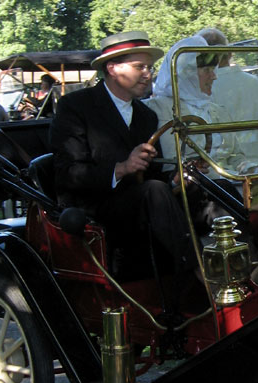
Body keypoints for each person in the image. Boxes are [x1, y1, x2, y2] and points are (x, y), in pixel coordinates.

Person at [49, 31, 196, 276]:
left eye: (150, 67)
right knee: (155, 191)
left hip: (140, 204)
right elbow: (68, 174)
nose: (148, 75)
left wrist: (176, 179)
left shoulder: (146, 115)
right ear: (113, 68)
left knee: (204, 190)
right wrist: (123, 168)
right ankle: (200, 274)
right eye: (140, 67)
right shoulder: (75, 107)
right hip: (92, 209)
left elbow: (152, 173)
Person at [144, 35, 258, 175]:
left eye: (214, 69)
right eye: (207, 70)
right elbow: (171, 162)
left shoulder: (216, 111)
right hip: (196, 187)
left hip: (230, 183)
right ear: (188, 74)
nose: (214, 76)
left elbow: (235, 156)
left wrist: (248, 167)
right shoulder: (160, 109)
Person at [196, 28, 258, 169]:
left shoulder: (200, 88)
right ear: (229, 54)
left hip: (220, 176)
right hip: (256, 173)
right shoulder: (256, 83)